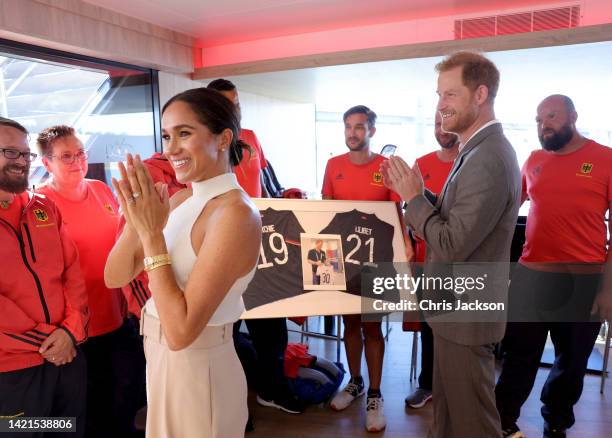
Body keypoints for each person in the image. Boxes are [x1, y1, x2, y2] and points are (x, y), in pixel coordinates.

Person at [104, 87, 261, 438]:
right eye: (166, 136)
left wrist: (153, 236)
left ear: (223, 139)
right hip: (160, 361)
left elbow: (181, 332)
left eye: (184, 133)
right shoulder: (178, 201)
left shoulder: (236, 214)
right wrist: (135, 222)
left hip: (197, 365)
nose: (170, 148)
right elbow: (115, 277)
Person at [381, 51, 521, 438]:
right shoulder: (475, 149)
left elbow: (451, 242)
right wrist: (416, 188)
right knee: (448, 419)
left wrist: (412, 199)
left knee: (473, 424)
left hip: (466, 316)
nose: (440, 105)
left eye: (450, 94)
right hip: (454, 311)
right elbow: (454, 218)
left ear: (480, 94)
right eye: (439, 95)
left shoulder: (489, 155)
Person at [495, 95, 612, 438]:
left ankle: (556, 420)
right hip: (532, 277)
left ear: (573, 116)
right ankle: (502, 420)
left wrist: (608, 289)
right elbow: (506, 209)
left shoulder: (605, 159)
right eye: (538, 119)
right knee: (518, 357)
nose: (543, 124)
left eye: (551, 116)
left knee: (572, 363)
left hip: (585, 281)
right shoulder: (533, 160)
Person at [37, 125, 145, 437]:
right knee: (91, 409)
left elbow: (123, 245)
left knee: (127, 394)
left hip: (118, 317)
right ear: (47, 164)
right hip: (77, 329)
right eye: (66, 156)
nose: (77, 161)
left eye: (81, 153)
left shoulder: (100, 189)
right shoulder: (39, 205)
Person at [208, 78, 306, 415]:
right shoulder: (204, 143)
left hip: (261, 245)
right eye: (226, 103)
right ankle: (230, 404)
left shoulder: (250, 137)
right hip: (221, 247)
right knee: (227, 331)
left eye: (236, 102)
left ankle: (272, 389)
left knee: (272, 328)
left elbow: (265, 185)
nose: (233, 108)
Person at [0, 117, 88, 437]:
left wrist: (71, 331)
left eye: (25, 154)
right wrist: (50, 342)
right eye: (10, 152)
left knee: (67, 431)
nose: (22, 162)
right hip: (13, 372)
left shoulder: (44, 207)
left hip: (68, 358)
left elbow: (72, 273)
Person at [323, 104, 403, 432]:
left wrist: (407, 246)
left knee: (373, 327)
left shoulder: (387, 167)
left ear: (371, 131)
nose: (352, 133)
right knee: (349, 324)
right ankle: (355, 383)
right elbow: (325, 213)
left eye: (359, 127)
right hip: (342, 259)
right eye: (348, 127)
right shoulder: (333, 165)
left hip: (377, 259)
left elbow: (396, 213)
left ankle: (375, 394)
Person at [404, 111, 459, 409]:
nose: (442, 128)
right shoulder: (421, 164)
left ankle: (456, 389)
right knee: (429, 329)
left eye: (447, 121)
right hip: (428, 263)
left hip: (462, 264)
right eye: (437, 122)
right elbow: (409, 210)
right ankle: (427, 385)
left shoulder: (470, 164)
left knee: (459, 331)